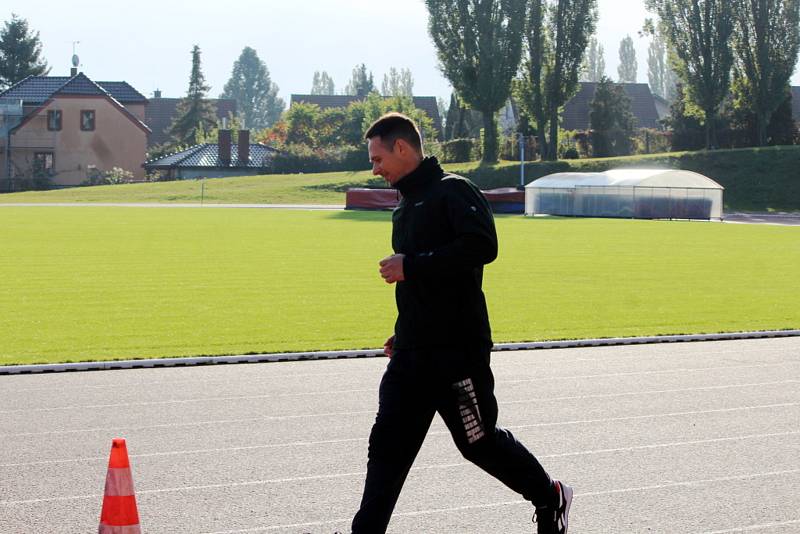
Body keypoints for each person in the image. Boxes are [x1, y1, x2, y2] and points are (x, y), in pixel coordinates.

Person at [350, 112, 572, 534]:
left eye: (378, 159)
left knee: (479, 443)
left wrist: (411, 265)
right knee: (387, 448)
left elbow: (481, 246)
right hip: (415, 352)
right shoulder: (406, 204)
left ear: (402, 148)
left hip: (457, 353)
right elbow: (424, 286)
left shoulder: (454, 191)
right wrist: (405, 330)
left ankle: (550, 495)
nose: (375, 169)